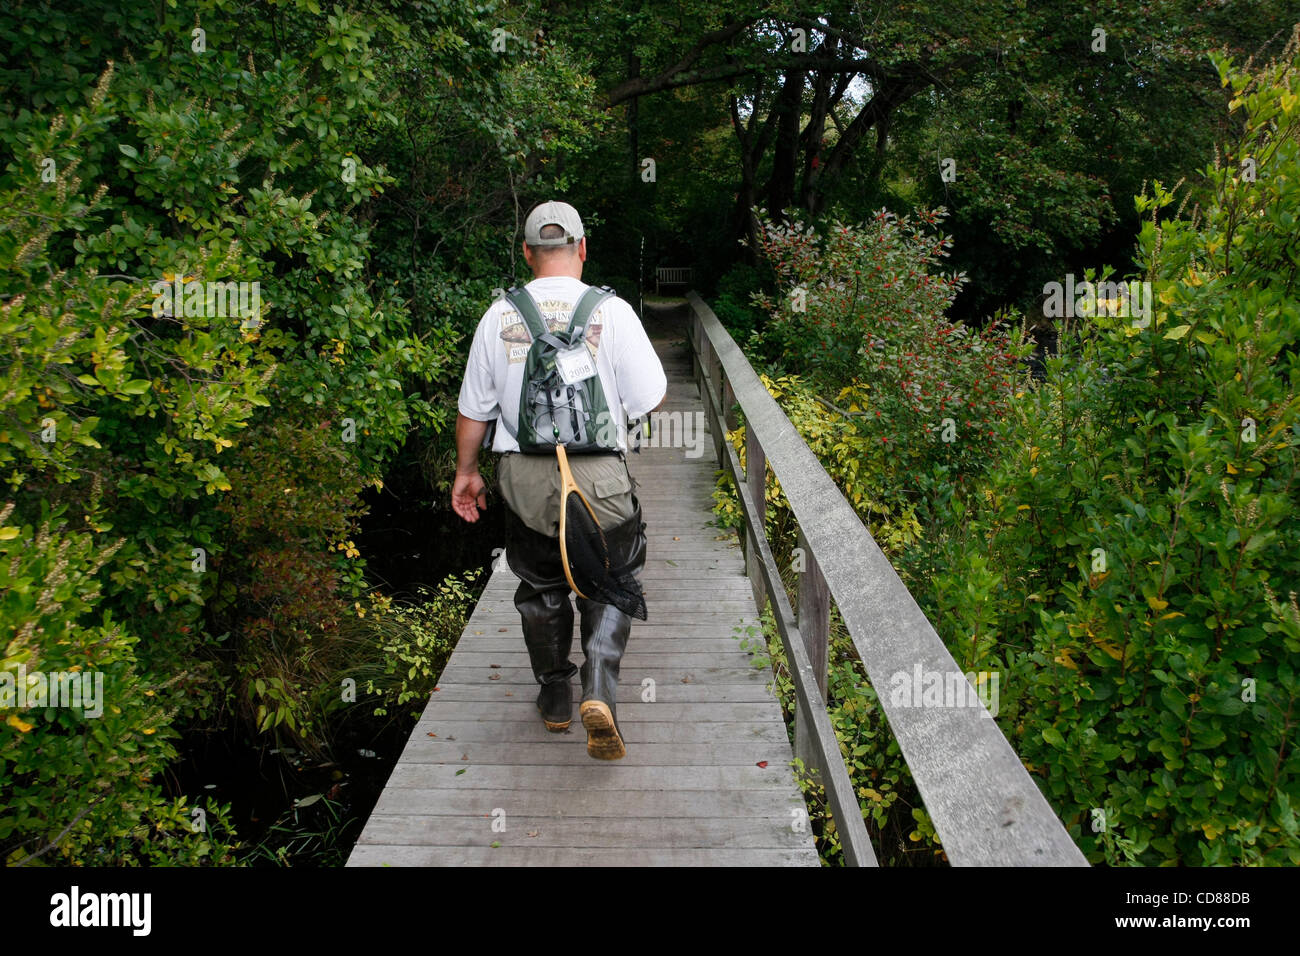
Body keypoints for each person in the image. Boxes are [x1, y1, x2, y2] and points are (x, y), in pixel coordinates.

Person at [451, 200, 667, 760]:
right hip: (598, 476)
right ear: (583, 248)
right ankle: (599, 687)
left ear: (526, 252)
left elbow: (475, 411)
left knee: (540, 584)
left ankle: (554, 696)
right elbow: (649, 400)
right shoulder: (614, 313)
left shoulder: (497, 316)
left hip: (524, 477)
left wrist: (467, 473)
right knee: (614, 576)